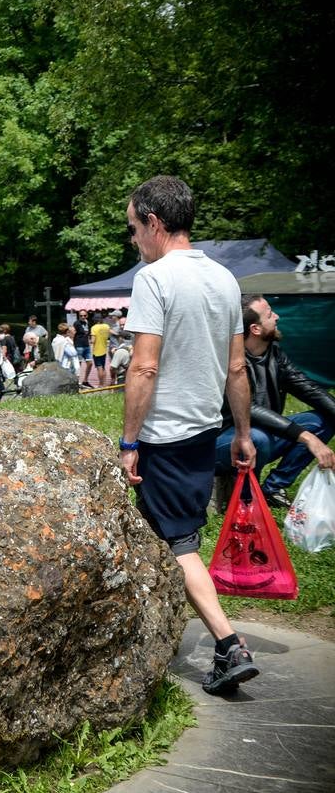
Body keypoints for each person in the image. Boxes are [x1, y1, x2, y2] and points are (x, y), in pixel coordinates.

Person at [119, 174, 258, 696]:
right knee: (178, 535)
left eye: (134, 229)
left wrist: (130, 443)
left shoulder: (153, 279)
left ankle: (227, 645)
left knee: (178, 544)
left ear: (154, 224)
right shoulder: (224, 279)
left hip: (164, 435)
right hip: (205, 429)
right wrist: (242, 433)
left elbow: (144, 368)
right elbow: (238, 369)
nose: (133, 240)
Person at [216, 295, 335, 507]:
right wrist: (306, 437)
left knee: (323, 420)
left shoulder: (274, 354)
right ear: (255, 329)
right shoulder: (230, 361)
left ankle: (273, 488)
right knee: (257, 437)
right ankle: (245, 500)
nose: (277, 317)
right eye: (270, 314)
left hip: (264, 435)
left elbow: (308, 388)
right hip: (226, 442)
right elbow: (249, 408)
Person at [90, 313, 113, 386]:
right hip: (104, 349)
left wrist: (90, 341)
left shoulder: (94, 328)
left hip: (97, 351)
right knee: (103, 367)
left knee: (99, 368)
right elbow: (111, 333)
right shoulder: (106, 326)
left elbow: (93, 341)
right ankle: (104, 383)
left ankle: (100, 384)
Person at [73, 311, 93, 386]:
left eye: (84, 315)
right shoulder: (76, 323)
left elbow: (89, 333)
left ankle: (85, 380)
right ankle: (76, 381)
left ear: (87, 316)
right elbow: (75, 332)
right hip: (79, 345)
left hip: (86, 345)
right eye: (81, 316)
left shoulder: (87, 323)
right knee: (78, 364)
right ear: (79, 316)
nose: (83, 317)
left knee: (90, 363)